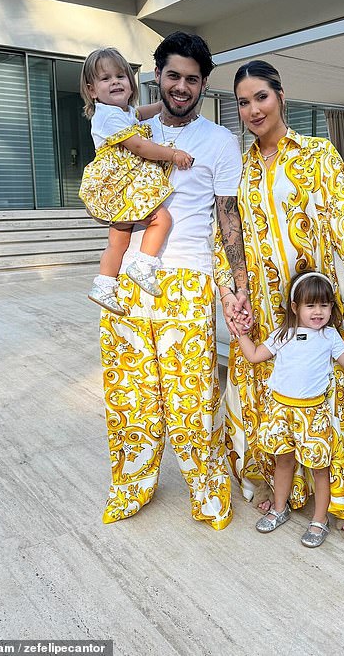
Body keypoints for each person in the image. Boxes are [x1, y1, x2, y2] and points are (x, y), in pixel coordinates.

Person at [215, 59, 344, 538]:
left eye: (260, 98)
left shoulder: (317, 154)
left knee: (326, 403)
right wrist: (229, 291)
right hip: (264, 310)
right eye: (243, 103)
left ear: (281, 96)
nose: (252, 110)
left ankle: (340, 501)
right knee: (263, 400)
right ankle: (275, 487)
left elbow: (343, 218)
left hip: (315, 306)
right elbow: (226, 235)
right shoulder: (238, 166)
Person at [99, 33, 252, 530]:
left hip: (187, 279)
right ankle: (131, 489)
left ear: (204, 85)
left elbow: (229, 220)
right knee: (130, 394)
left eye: (192, 79)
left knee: (191, 399)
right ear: (157, 78)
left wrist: (238, 285)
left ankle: (208, 496)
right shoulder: (126, 128)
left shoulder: (220, 142)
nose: (181, 87)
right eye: (173, 76)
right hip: (127, 279)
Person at [236, 271, 344, 548]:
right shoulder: (284, 334)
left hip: (313, 414)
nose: (318, 312)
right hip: (280, 410)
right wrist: (241, 333)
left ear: (331, 307)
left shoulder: (330, 337)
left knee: (320, 468)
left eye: (324, 305)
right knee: (283, 460)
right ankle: (279, 508)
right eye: (310, 305)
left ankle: (319, 519)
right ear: (295, 308)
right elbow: (256, 356)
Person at [79, 47, 194, 315]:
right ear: (92, 90)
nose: (115, 82)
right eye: (105, 79)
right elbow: (140, 147)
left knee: (117, 241)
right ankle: (143, 264)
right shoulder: (107, 115)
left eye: (121, 76)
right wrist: (173, 154)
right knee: (161, 219)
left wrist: (167, 103)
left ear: (131, 84)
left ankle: (104, 285)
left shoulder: (123, 112)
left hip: (118, 188)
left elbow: (140, 113)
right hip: (121, 186)